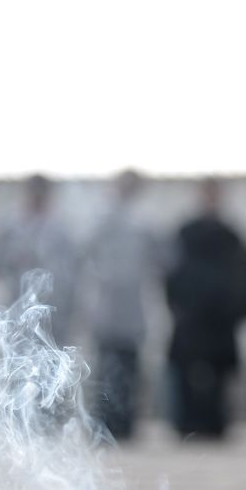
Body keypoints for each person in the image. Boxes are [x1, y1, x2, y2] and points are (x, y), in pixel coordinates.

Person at [165, 179, 246, 437]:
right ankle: (186, 423)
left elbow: (242, 274)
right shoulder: (186, 231)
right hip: (191, 315)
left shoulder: (231, 234)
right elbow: (172, 271)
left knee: (220, 372)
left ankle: (216, 424)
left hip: (220, 316)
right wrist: (176, 304)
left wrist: (237, 308)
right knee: (185, 370)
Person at [80, 170, 156, 439]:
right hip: (108, 299)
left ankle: (127, 422)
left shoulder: (145, 218)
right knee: (107, 365)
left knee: (130, 364)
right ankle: (105, 421)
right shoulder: (103, 214)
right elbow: (87, 249)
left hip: (133, 302)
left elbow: (155, 256)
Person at [0, 175, 78, 344]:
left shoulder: (61, 226)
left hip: (54, 305)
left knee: (52, 351)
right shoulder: (11, 223)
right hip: (18, 301)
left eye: (42, 192)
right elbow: (0, 257)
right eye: (34, 192)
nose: (37, 196)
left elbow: (71, 266)